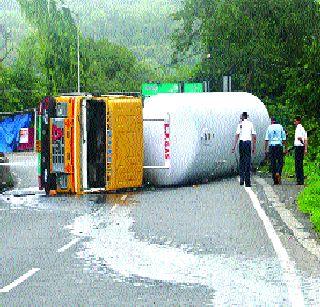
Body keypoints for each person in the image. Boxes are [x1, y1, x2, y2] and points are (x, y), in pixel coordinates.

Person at [232, 112, 257, 187]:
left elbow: (237, 135)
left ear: (243, 117)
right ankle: (247, 182)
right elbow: (254, 136)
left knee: (242, 161)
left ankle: (242, 179)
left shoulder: (240, 124)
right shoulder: (250, 124)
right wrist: (254, 147)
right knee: (247, 161)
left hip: (241, 143)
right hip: (248, 143)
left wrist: (234, 146)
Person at [264, 117, 287, 185]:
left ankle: (275, 181)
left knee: (273, 163)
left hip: (272, 146)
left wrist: (265, 149)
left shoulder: (269, 127)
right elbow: (284, 138)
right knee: (280, 161)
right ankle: (278, 172)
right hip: (279, 146)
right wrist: (285, 148)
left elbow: (266, 139)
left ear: (271, 121)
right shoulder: (280, 127)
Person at [294, 116, 308, 185]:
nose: (294, 123)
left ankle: (298, 179)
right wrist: (305, 148)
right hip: (302, 147)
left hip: (298, 147)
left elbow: (299, 138)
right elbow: (306, 139)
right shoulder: (303, 128)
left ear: (298, 121)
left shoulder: (298, 128)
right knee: (300, 164)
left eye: (295, 121)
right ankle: (301, 179)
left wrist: (302, 143)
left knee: (297, 164)